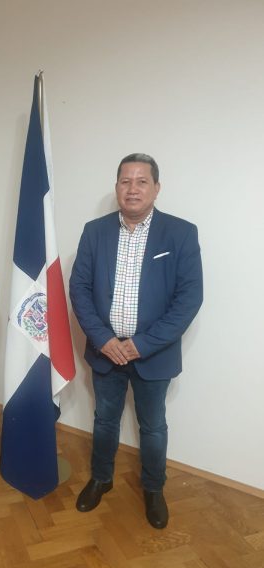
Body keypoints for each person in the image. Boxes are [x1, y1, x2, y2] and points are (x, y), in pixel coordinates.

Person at [69, 153, 202, 528]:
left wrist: (141, 344)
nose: (133, 189)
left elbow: (189, 299)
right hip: (106, 351)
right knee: (104, 420)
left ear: (156, 188)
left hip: (152, 354)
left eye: (142, 181)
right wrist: (103, 339)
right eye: (125, 181)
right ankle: (101, 478)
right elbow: (79, 288)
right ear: (116, 188)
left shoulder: (180, 233)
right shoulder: (94, 232)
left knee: (153, 427)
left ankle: (153, 488)